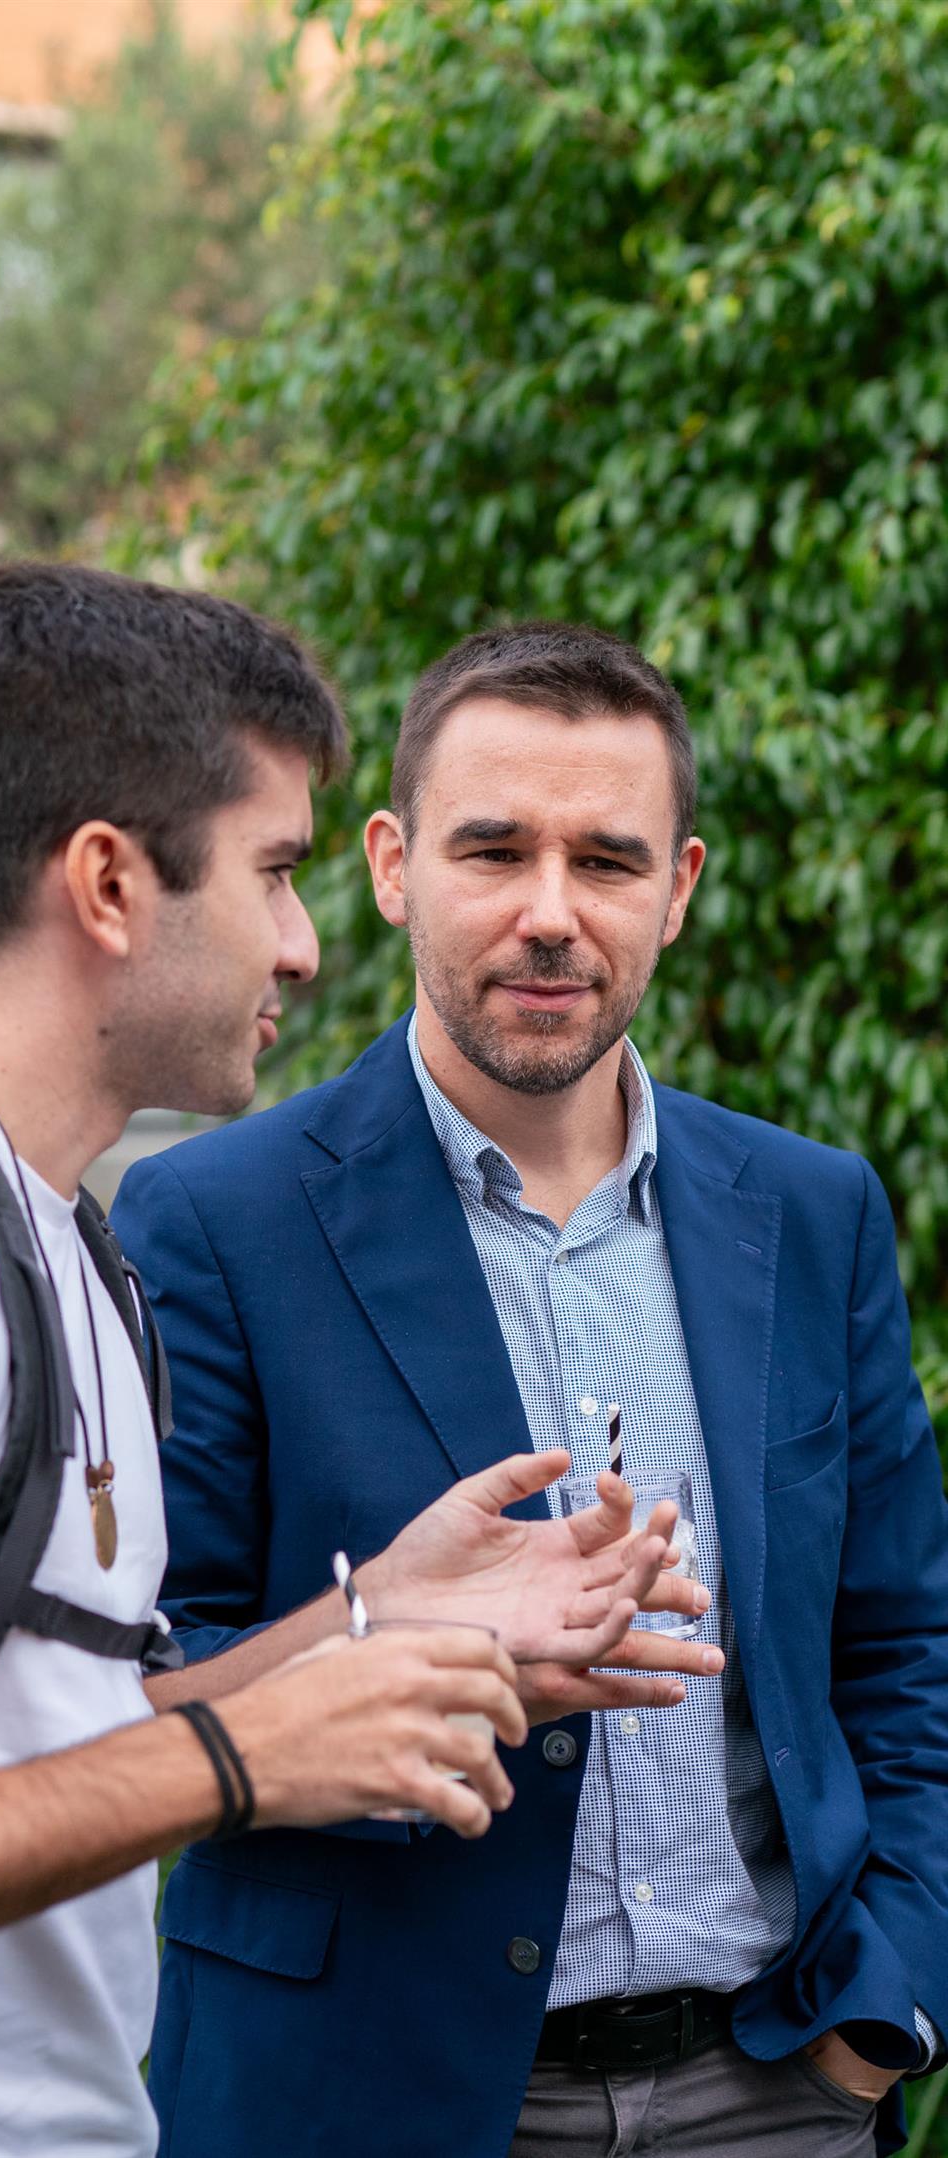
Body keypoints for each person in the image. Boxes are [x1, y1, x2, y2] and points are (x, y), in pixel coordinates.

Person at [0, 570, 685, 2158]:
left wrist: (376, 1616)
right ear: (109, 882)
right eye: (276, 871)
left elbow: (48, 1746)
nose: (306, 945)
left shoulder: (48, 1241)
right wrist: (241, 1761)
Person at [114, 620, 948, 2158]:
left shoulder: (813, 1212)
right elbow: (142, 1679)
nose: (550, 914)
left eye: (608, 861)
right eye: (493, 849)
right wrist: (422, 1660)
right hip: (367, 2091)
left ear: (679, 889)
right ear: (391, 864)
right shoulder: (212, 1222)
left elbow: (902, 1647)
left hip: (776, 2086)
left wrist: (881, 2018)